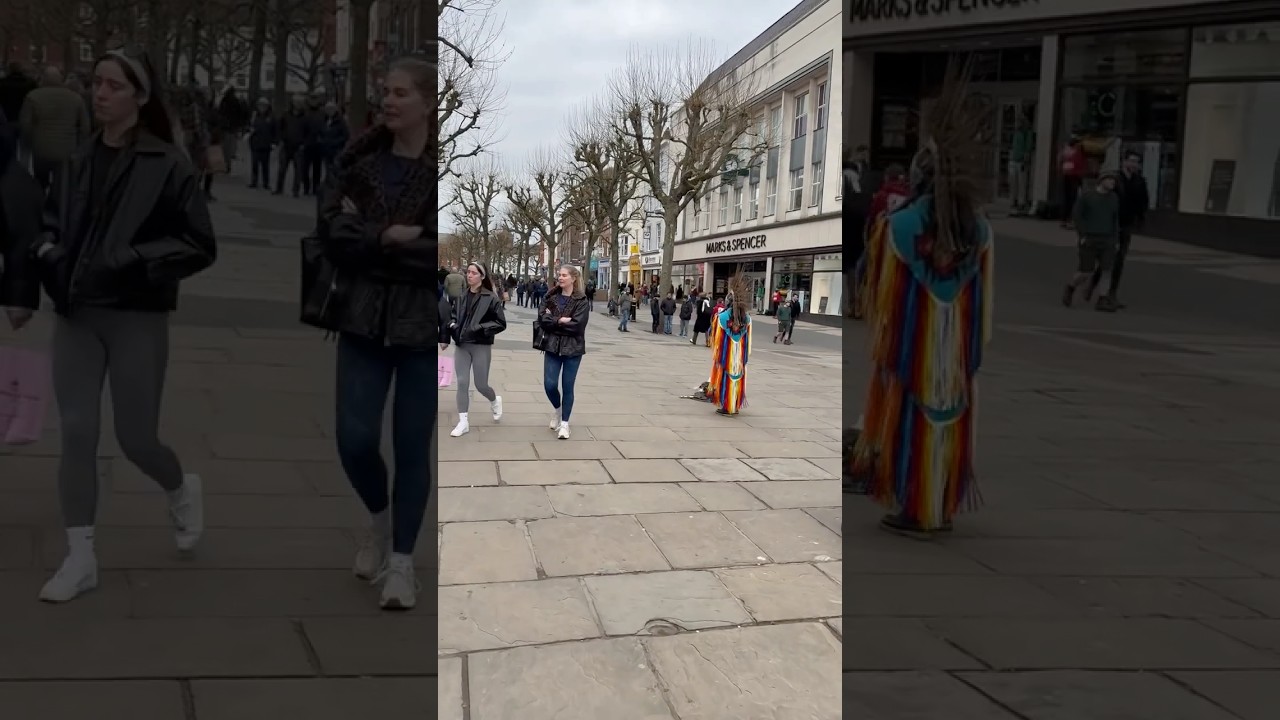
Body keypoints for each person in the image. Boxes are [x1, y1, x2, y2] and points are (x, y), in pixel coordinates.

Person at [22, 47, 217, 602]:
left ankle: (180, 488)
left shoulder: (169, 164)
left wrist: (134, 259)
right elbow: (50, 222)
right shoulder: (76, 160)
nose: (99, 93)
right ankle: (80, 555)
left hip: (137, 315)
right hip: (78, 314)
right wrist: (47, 250)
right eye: (95, 83)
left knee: (136, 439)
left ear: (139, 96)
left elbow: (200, 244)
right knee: (78, 431)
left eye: (111, 85)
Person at [848, 62, 995, 537]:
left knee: (911, 413)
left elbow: (884, 296)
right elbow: (981, 302)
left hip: (913, 344)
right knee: (950, 416)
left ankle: (915, 506)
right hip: (954, 352)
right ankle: (940, 504)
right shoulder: (980, 229)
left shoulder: (903, 225)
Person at [317, 54, 435, 610]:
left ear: (428, 104)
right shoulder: (356, 163)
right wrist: (393, 238)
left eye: (401, 93)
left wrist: (380, 241)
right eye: (385, 91)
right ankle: (378, 521)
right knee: (355, 439)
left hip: (422, 329)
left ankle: (403, 565)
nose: (388, 100)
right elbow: (332, 232)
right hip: (361, 318)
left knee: (412, 447)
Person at [446, 262, 505, 437]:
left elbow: (500, 323)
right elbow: (453, 316)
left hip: (481, 345)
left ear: (482, 276)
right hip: (462, 345)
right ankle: (463, 422)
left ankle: (494, 400)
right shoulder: (461, 296)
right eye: (468, 272)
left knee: (481, 385)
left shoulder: (491, 298)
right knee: (462, 382)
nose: (469, 275)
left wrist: (480, 328)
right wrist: (452, 325)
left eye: (473, 273)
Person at [1089, 150, 1149, 309]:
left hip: (1127, 224)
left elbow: (1143, 202)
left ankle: (1111, 293)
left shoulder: (1140, 181)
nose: (1134, 165)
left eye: (1137, 162)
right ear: (1124, 162)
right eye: (1132, 161)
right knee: (1108, 259)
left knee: (1119, 260)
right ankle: (1094, 284)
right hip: (1111, 224)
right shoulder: (1115, 180)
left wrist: (1141, 219)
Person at [19, 65, 92, 193]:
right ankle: (60, 207)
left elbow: (25, 125)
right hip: (67, 150)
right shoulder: (75, 98)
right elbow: (85, 127)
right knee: (64, 186)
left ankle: (41, 203)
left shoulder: (33, 97)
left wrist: (30, 142)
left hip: (42, 148)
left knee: (40, 181)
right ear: (61, 79)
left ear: (43, 78)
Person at [538, 265, 590, 439]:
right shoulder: (550, 296)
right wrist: (561, 321)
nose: (560, 278)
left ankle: (565, 424)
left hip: (572, 349)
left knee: (568, 387)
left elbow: (577, 326)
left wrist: (554, 322)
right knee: (549, 384)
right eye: (559, 275)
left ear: (573, 278)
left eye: (564, 275)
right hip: (552, 346)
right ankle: (558, 410)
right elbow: (542, 320)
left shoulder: (581, 300)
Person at [853, 164, 910, 320]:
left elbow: (872, 217)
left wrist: (869, 236)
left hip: (882, 241)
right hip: (903, 243)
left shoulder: (882, 195)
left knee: (862, 269)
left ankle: (859, 306)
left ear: (887, 177)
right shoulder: (909, 196)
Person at [1063, 170, 1120, 312]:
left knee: (1107, 270)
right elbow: (1077, 216)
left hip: (1107, 239)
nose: (1113, 183)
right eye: (1110, 180)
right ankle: (1071, 287)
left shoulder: (1114, 198)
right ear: (1102, 181)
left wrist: (1115, 239)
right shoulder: (1088, 197)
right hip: (1090, 238)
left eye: (1114, 181)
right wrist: (1082, 235)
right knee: (1086, 271)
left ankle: (1102, 299)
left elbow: (1115, 220)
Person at [704, 279, 752, 416]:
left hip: (726, 354)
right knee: (738, 378)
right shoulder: (747, 319)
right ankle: (735, 405)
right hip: (740, 356)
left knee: (725, 376)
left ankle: (727, 405)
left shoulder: (722, 316)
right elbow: (747, 339)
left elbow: (716, 339)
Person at [274, 94, 311, 197]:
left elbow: (309, 133)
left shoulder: (305, 118)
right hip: (286, 145)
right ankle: (279, 188)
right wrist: (280, 139)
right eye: (296, 102)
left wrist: (304, 144)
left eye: (300, 102)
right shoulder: (286, 115)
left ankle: (296, 190)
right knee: (282, 169)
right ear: (292, 103)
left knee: (298, 170)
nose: (298, 104)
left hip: (299, 147)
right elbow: (280, 128)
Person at [246, 97, 276, 189]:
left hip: (266, 144)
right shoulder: (254, 116)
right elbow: (248, 127)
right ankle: (254, 181)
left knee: (265, 165)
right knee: (254, 164)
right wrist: (249, 131)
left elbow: (274, 131)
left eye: (264, 105)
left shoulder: (271, 117)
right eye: (260, 105)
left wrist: (274, 142)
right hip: (255, 143)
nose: (262, 107)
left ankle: (265, 183)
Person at [1007, 114, 1034, 215]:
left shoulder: (1026, 133)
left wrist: (1025, 160)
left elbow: (1028, 148)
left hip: (1021, 161)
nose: (1016, 124)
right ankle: (1012, 202)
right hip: (1013, 160)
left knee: (1021, 183)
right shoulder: (1016, 133)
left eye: (1018, 122)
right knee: (1013, 182)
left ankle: (1021, 203)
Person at [1059, 135, 1085, 228]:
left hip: (1066, 175)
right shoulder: (1077, 151)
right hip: (1075, 176)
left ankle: (1064, 219)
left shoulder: (1066, 150)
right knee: (1073, 199)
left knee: (1066, 198)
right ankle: (1070, 220)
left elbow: (1061, 162)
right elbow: (1079, 164)